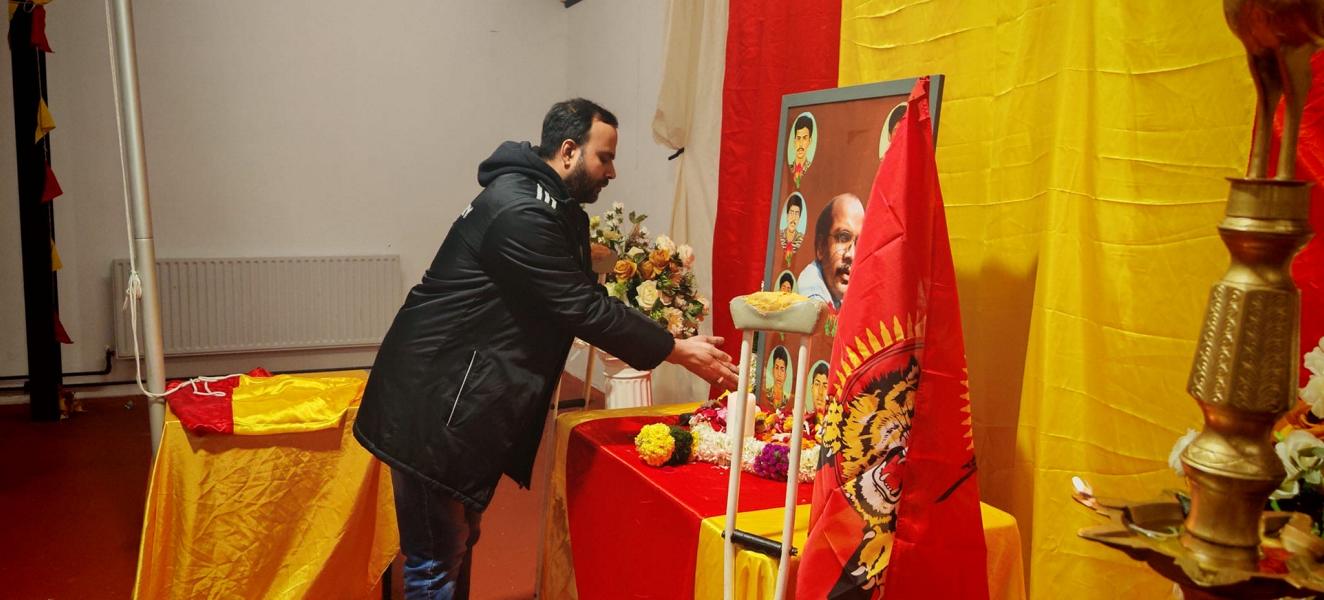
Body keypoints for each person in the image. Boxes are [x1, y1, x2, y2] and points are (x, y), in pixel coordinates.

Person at [354, 98, 739, 600]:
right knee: (435, 560)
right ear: (568, 150)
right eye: (605, 157)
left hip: (451, 397)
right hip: (433, 402)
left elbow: (575, 292)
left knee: (456, 542)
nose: (612, 172)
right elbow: (581, 307)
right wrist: (675, 349)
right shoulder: (521, 210)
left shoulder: (541, 201)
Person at [797, 193, 864, 311]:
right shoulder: (812, 292)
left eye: (860, 244)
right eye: (843, 237)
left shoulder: (836, 292)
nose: (852, 255)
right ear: (821, 247)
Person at [790, 114, 814, 187]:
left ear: (810, 141)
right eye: (798, 138)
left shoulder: (811, 170)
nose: (800, 144)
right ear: (794, 141)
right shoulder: (789, 169)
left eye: (804, 138)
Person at [781, 194, 805, 267]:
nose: (793, 218)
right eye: (791, 213)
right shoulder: (780, 236)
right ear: (787, 215)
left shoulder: (801, 239)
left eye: (796, 214)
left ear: (799, 217)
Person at [764, 346, 791, 410]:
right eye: (776, 368)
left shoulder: (787, 399)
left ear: (785, 374)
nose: (779, 374)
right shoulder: (766, 394)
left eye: (782, 369)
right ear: (772, 371)